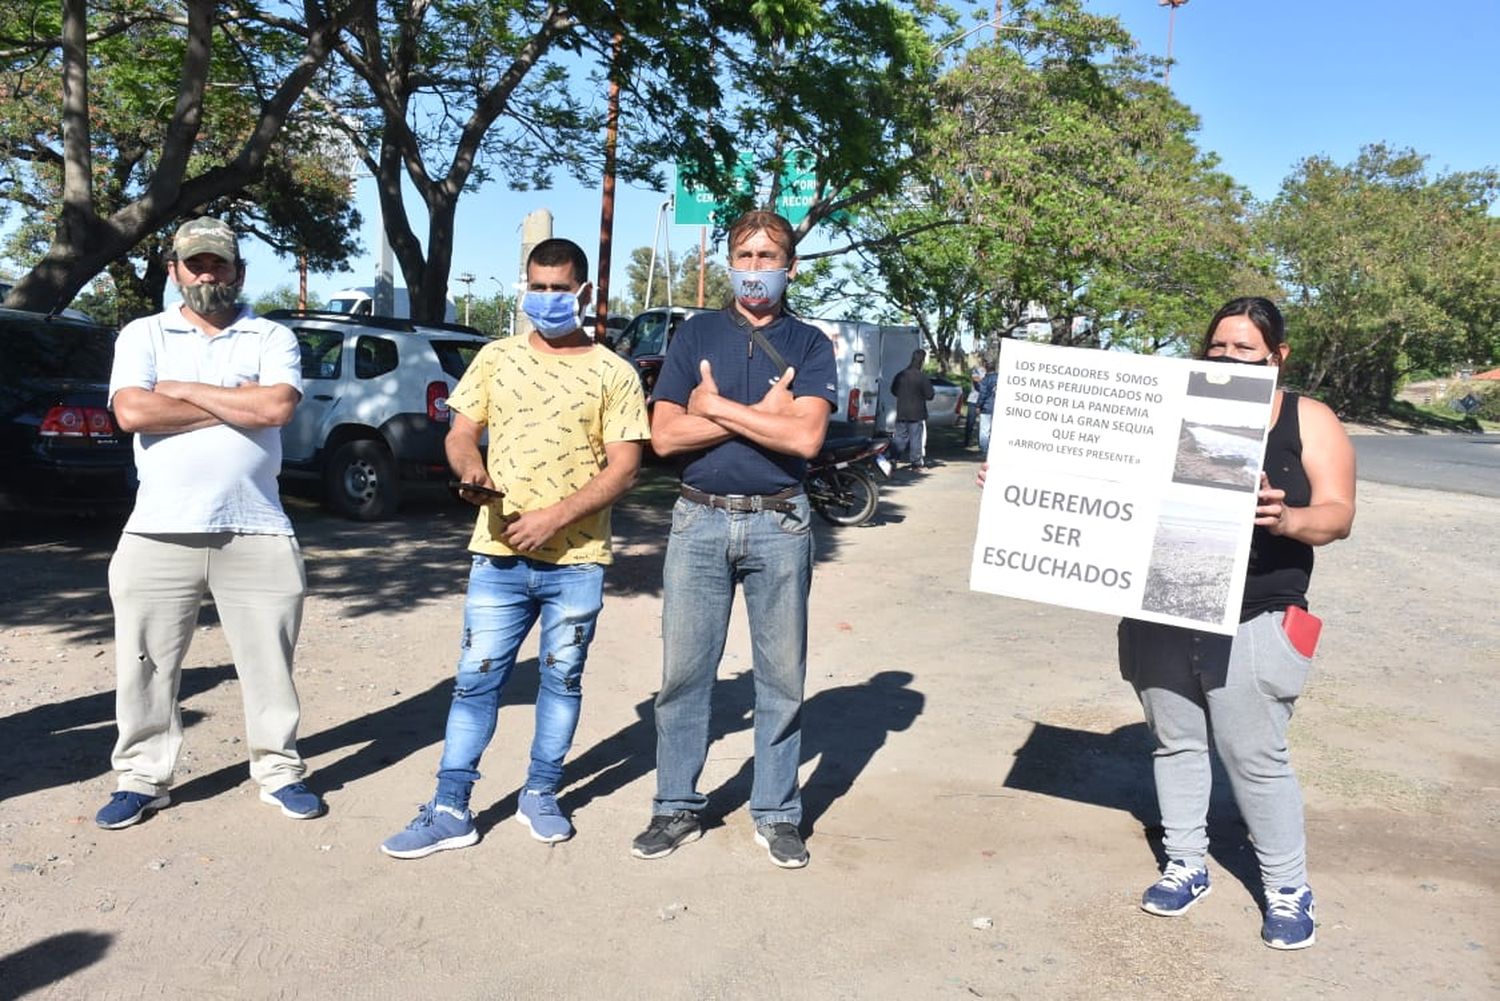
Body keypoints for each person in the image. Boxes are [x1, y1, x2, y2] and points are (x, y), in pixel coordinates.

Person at [380, 239, 649, 858]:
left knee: (562, 682)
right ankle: (450, 808)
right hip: (496, 558)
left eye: (559, 289)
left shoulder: (614, 371)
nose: (546, 299)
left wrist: (556, 517)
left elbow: (626, 467)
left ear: (582, 292)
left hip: (576, 564)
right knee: (475, 683)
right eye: (536, 286)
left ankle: (542, 792)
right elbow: (462, 429)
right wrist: (469, 466)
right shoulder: (495, 359)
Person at [1121, 297, 1355, 950]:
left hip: (1259, 611)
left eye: (1244, 348)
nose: (1226, 358)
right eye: (1217, 347)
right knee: (1176, 742)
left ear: (1277, 356)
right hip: (1163, 601)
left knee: (1256, 757)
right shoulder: (1169, 409)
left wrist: (1287, 519)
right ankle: (1186, 864)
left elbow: (1337, 514)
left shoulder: (1310, 420)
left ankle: (1287, 887)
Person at [98, 216, 321, 829]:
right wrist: (233, 404)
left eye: (218, 263)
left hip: (258, 527)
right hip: (157, 528)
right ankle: (143, 777)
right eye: (194, 263)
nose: (206, 274)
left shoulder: (270, 336)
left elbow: (276, 407)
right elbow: (132, 413)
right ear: (173, 270)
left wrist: (186, 390)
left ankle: (278, 769)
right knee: (144, 662)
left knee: (269, 663)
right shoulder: (143, 334)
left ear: (239, 271)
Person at [631, 210, 837, 869]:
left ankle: (777, 813)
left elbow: (804, 438)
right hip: (699, 518)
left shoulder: (810, 345)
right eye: (743, 255)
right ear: (730, 262)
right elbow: (664, 438)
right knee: (685, 674)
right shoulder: (694, 335)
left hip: (780, 521)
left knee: (780, 677)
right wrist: (751, 416)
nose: (754, 268)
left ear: (790, 266)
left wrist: (711, 409)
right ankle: (676, 804)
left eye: (767, 255)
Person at [890, 349, 934, 469]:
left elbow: (893, 390)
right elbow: (930, 395)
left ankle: (893, 459)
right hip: (917, 412)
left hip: (902, 411)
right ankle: (916, 463)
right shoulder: (922, 377)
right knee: (916, 438)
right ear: (922, 361)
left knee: (899, 437)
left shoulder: (901, 375)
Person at [974, 363, 998, 454]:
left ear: (986, 369)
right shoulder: (1000, 378)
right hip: (997, 407)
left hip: (986, 407)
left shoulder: (985, 380)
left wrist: (978, 405)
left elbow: (983, 394)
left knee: (984, 429)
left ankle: (984, 450)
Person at [963, 360, 986, 448]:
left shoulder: (989, 373)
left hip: (984, 401)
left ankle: (982, 443)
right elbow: (975, 381)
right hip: (973, 400)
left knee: (984, 424)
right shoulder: (976, 370)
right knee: (970, 422)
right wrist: (984, 384)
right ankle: (967, 441)